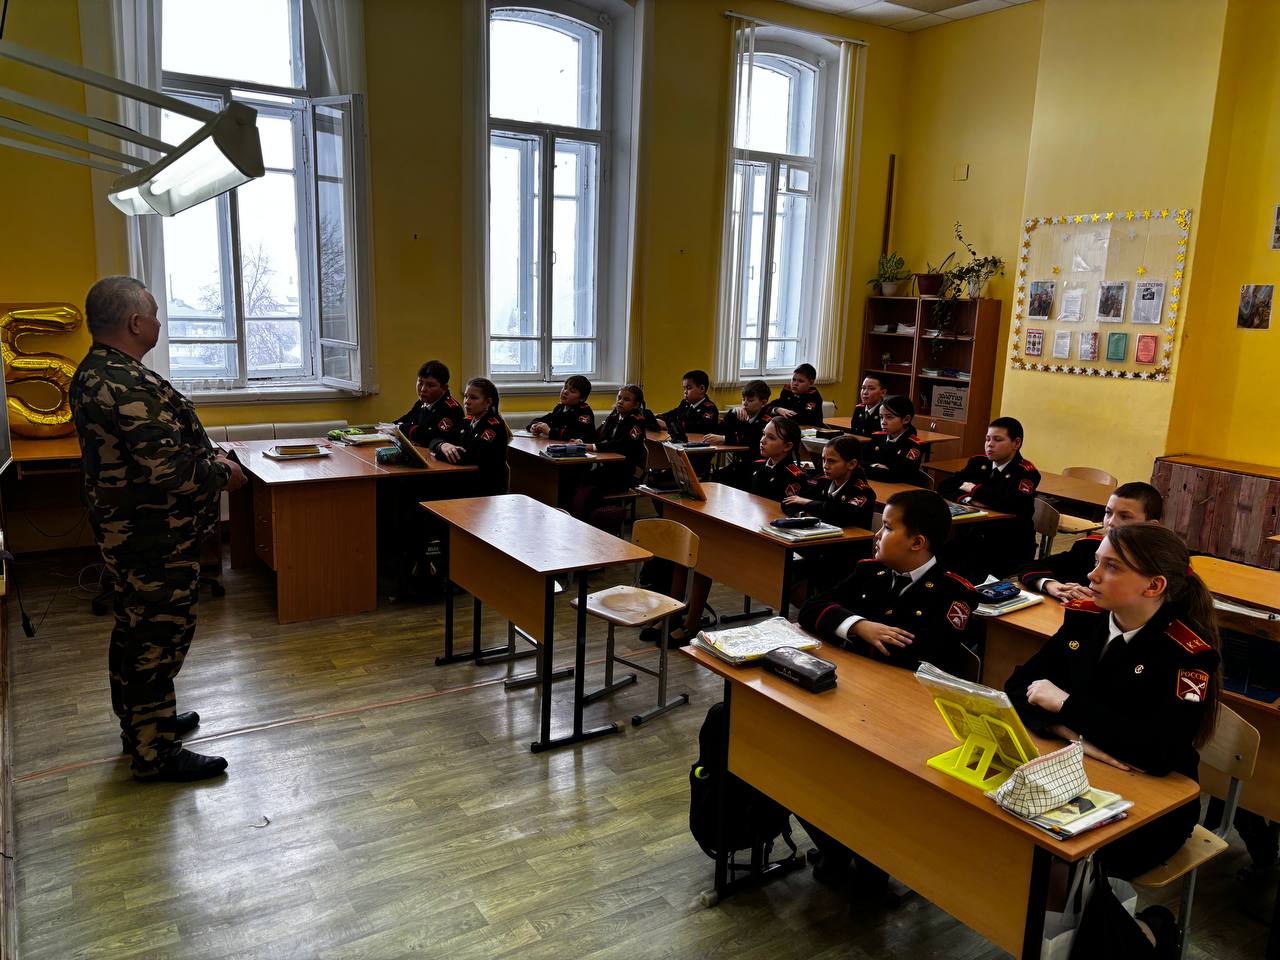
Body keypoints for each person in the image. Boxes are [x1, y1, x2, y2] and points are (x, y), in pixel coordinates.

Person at [1004, 524, 1221, 956]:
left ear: (1153, 586)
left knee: (1060, 857)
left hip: (1156, 807)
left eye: (1112, 567)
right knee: (1019, 839)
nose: (1092, 575)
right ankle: (1130, 937)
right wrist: (1069, 732)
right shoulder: (1086, 620)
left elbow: (1158, 753)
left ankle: (1148, 936)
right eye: (1096, 562)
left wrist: (1065, 706)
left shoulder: (1186, 655)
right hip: (1079, 774)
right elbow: (1018, 687)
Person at [69, 276, 245, 783]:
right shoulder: (124, 383)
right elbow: (169, 470)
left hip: (134, 532)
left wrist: (206, 456)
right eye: (155, 315)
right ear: (134, 322)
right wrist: (224, 474)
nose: (159, 324)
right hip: (153, 538)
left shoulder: (101, 371)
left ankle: (145, 724)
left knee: (135, 630)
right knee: (157, 639)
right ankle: (156, 754)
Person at [797, 489, 981, 892]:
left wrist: (847, 630)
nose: (877, 536)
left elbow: (920, 654)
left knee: (852, 773)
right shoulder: (870, 572)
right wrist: (858, 626)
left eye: (887, 527)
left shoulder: (955, 593)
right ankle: (836, 848)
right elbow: (810, 608)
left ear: (918, 542)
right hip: (851, 697)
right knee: (796, 756)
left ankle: (869, 864)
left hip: (906, 717)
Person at [1017, 481, 1163, 601]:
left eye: (1124, 516)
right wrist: (1051, 585)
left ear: (1151, 526)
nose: (1111, 522)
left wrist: (1095, 603)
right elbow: (1030, 567)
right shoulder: (1089, 548)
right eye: (1108, 513)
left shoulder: (1160, 566)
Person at [936, 416, 1041, 579]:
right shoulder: (978, 462)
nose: (989, 445)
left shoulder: (1026, 472)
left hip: (1005, 545)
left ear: (1016, 443)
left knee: (967, 575)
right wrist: (969, 500)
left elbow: (1010, 503)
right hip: (971, 538)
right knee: (934, 561)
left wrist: (973, 489)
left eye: (998, 440)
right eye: (987, 439)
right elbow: (945, 486)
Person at [569, 384, 650, 526]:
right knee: (580, 478)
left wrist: (593, 447)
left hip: (623, 473)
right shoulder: (614, 416)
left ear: (636, 404)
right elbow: (598, 434)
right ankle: (580, 516)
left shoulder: (636, 422)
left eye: (626, 400)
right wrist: (581, 440)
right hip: (608, 468)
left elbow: (621, 445)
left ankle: (594, 519)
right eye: (619, 398)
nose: (620, 402)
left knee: (591, 485)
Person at [431, 377, 511, 495]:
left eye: (473, 398)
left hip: (485, 489)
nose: (467, 402)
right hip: (467, 480)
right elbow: (436, 438)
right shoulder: (468, 421)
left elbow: (466, 457)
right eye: (466, 396)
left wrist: (438, 452)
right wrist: (442, 445)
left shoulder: (493, 426)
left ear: (488, 402)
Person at [782, 435, 874, 531]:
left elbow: (839, 516)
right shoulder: (824, 482)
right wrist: (804, 515)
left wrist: (807, 503)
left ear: (851, 464)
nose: (825, 466)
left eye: (831, 461)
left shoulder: (863, 492)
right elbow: (789, 502)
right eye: (823, 460)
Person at [705, 379, 773, 490]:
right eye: (743, 399)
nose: (745, 403)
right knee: (713, 478)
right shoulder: (740, 414)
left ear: (763, 403)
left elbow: (751, 441)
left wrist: (724, 439)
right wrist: (732, 412)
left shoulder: (766, 421)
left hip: (755, 466)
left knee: (722, 481)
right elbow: (719, 430)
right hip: (740, 464)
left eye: (750, 400)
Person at [393, 359, 463, 448]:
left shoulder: (452, 409)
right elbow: (405, 420)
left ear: (444, 388)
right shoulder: (421, 402)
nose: (423, 389)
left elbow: (430, 438)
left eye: (430, 385)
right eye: (420, 382)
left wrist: (400, 428)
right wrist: (389, 427)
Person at [862, 395, 927, 484]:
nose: (883, 422)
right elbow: (861, 462)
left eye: (889, 417)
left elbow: (899, 475)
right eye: (881, 417)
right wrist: (876, 466)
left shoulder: (914, 445)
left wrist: (870, 468)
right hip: (877, 484)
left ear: (906, 419)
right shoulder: (878, 437)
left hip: (902, 488)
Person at [749, 418, 807, 501]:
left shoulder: (793, 477)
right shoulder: (757, 465)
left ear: (787, 446)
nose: (762, 440)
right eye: (763, 434)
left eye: (771, 438)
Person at [529, 375, 596, 442]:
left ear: (582, 398)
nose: (565, 392)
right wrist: (534, 426)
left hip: (577, 447)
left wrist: (550, 431)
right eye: (565, 388)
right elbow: (546, 419)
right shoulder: (560, 407)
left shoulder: (584, 412)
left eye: (572, 391)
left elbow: (575, 434)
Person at [655, 369, 718, 435]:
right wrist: (657, 417)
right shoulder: (685, 403)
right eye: (684, 388)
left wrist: (668, 425)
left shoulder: (710, 408)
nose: (685, 392)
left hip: (699, 440)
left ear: (702, 389)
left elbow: (698, 427)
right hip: (683, 439)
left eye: (689, 388)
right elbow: (673, 414)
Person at [766, 363, 825, 427]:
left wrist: (784, 414)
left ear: (811, 383)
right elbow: (768, 407)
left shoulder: (813, 397)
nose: (795, 384)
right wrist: (777, 409)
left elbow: (805, 417)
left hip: (811, 429)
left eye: (800, 381)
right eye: (793, 379)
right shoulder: (787, 391)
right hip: (789, 427)